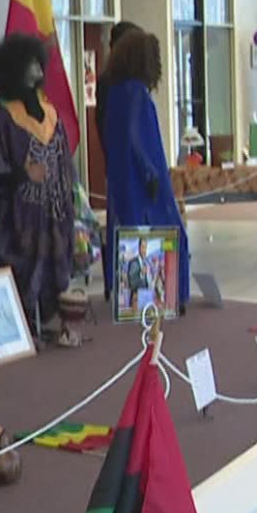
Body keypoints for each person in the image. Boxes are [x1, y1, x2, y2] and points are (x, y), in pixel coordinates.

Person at [0, 33, 80, 346]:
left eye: (38, 63)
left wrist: (71, 196)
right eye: (29, 64)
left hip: (55, 209)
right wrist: (21, 174)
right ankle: (26, 325)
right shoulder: (2, 120)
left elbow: (66, 162)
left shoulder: (52, 114)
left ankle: (53, 318)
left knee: (58, 263)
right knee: (25, 267)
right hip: (22, 213)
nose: (37, 70)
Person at [98, 29, 189, 311]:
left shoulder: (114, 94)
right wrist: (150, 173)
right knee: (169, 230)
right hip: (144, 177)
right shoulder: (137, 94)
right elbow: (137, 136)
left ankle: (136, 295)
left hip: (121, 177)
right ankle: (168, 295)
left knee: (128, 230)